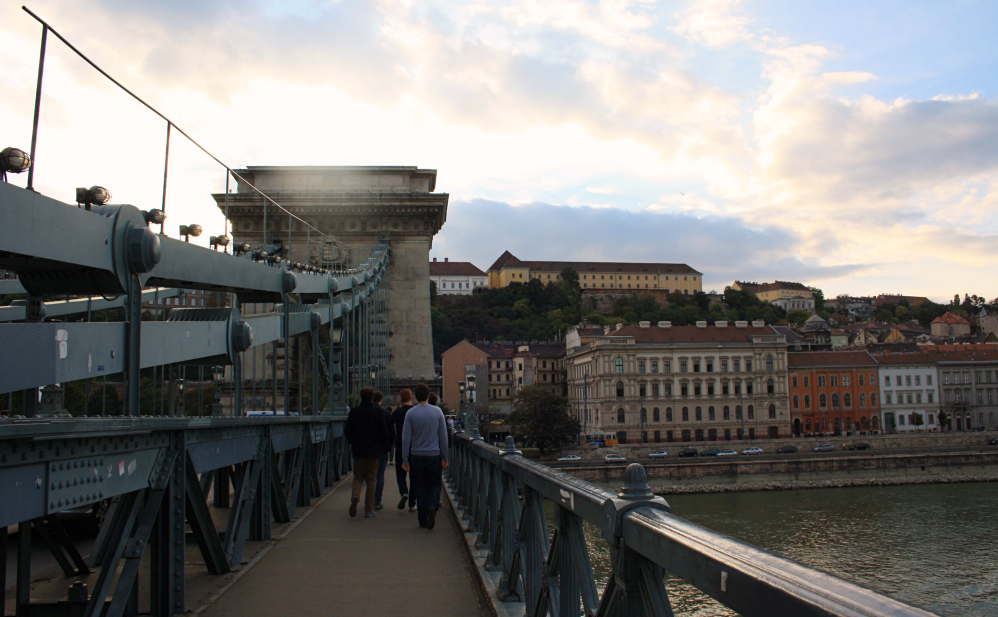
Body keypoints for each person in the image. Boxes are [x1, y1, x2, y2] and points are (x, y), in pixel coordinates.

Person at [401, 384, 449, 530]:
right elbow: (443, 437)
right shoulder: (438, 411)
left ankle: (422, 519)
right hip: (434, 455)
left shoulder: (410, 413)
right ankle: (433, 505)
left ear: (415, 397)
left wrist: (405, 459)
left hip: (416, 455)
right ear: (428, 396)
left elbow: (405, 439)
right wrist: (445, 457)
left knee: (420, 487)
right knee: (435, 484)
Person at [344, 387, 390, 518]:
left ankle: (355, 496)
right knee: (371, 480)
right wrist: (384, 446)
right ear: (372, 398)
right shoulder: (378, 412)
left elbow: (348, 431)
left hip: (359, 450)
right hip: (374, 452)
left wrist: (354, 442)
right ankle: (369, 509)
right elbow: (384, 432)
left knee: (358, 477)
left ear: (360, 397)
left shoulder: (354, 412)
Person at [390, 389, 415, 511]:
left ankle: (404, 492)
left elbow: (390, 424)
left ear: (400, 399)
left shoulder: (397, 413)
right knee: (414, 475)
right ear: (411, 398)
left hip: (400, 445)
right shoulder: (415, 411)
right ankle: (412, 503)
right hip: (414, 446)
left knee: (400, 473)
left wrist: (398, 408)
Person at [372, 391, 394, 510]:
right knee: (379, 474)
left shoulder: (356, 411)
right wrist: (389, 447)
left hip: (364, 449)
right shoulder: (385, 413)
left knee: (365, 476)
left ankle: (358, 496)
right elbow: (391, 433)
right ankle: (376, 501)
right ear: (381, 400)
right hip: (381, 448)